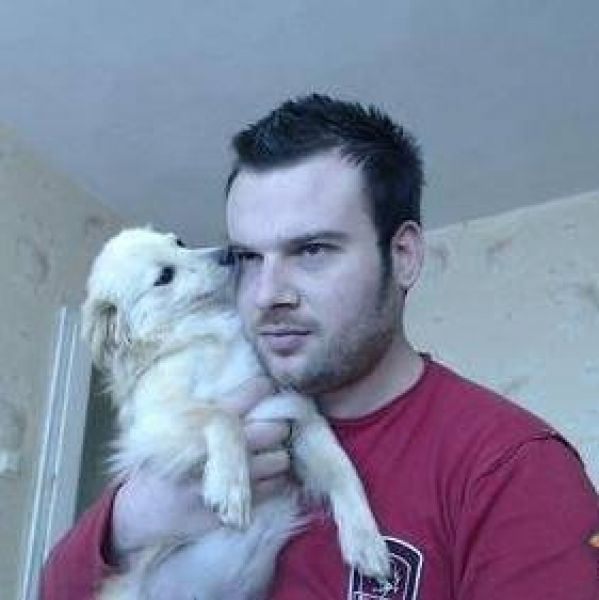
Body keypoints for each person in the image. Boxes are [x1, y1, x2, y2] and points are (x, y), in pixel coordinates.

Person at [41, 94, 599, 599]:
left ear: (403, 256)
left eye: (311, 251)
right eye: (249, 257)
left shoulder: (512, 466)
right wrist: (129, 520)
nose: (267, 295)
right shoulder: (197, 428)